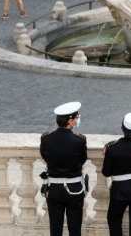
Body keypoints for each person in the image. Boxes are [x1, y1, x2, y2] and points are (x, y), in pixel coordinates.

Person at [40, 101, 87, 236]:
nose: (78, 120)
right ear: (70, 121)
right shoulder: (80, 140)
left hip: (54, 189)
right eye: (76, 118)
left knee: (55, 229)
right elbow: (82, 160)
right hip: (75, 189)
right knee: (75, 229)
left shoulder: (46, 139)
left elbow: (45, 157)